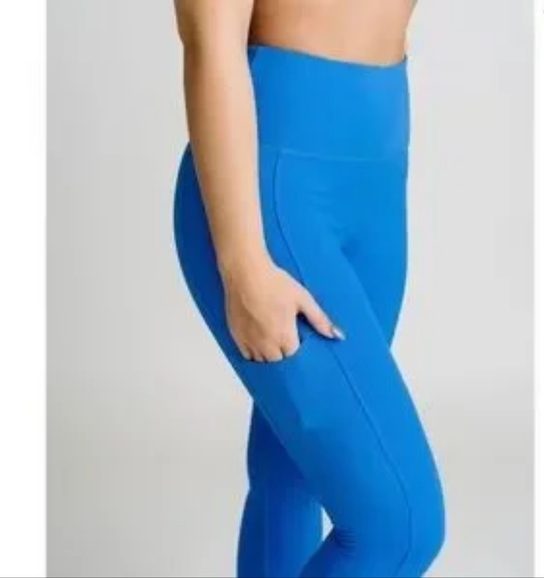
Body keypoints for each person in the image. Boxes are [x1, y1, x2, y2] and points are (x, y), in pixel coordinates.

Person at [172, 1, 445, 576]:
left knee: (293, 478)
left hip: (378, 178)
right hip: (274, 190)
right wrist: (244, 262)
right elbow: (212, 43)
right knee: (398, 527)